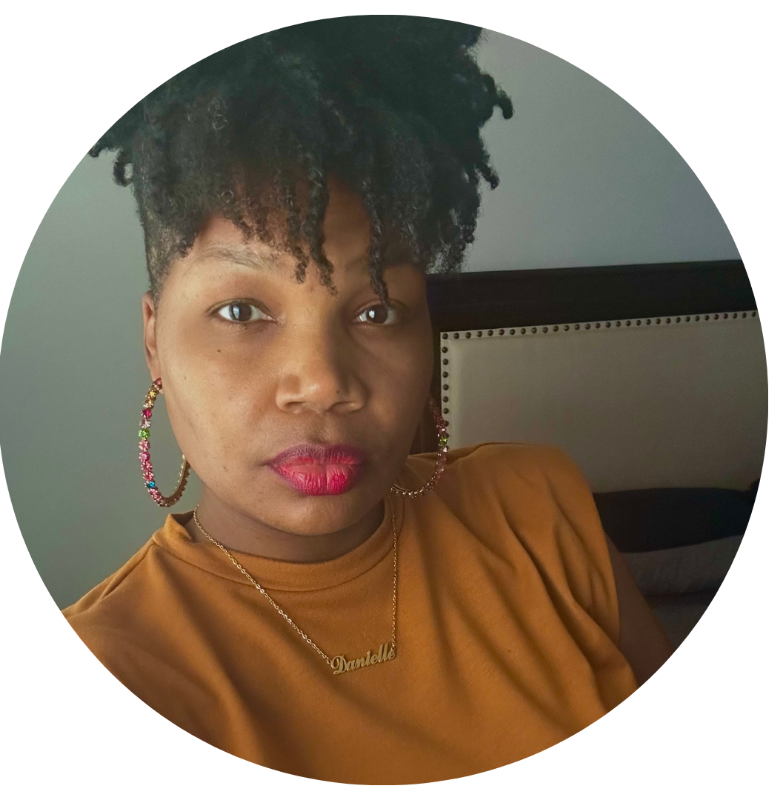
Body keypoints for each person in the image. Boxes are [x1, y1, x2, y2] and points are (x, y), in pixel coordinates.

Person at [61, 16, 675, 786]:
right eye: (242, 311)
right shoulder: (104, 676)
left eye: (378, 309)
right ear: (154, 339)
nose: (323, 382)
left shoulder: (540, 511)